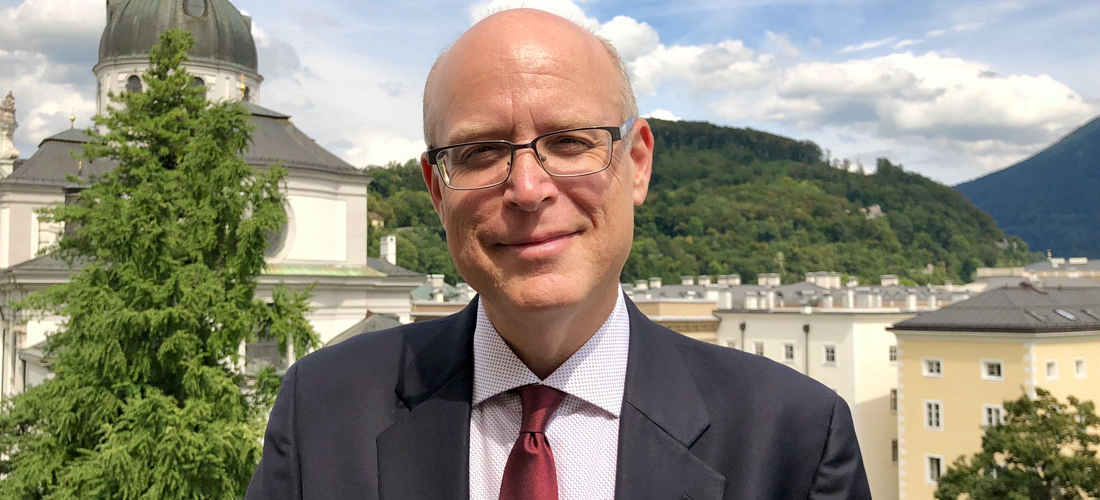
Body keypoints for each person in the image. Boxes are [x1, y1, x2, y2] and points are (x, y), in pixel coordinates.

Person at [245, 8, 870, 500]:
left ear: (637, 162)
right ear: (436, 190)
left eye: (570, 142)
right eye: (480, 152)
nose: (527, 189)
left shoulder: (794, 438)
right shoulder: (322, 410)